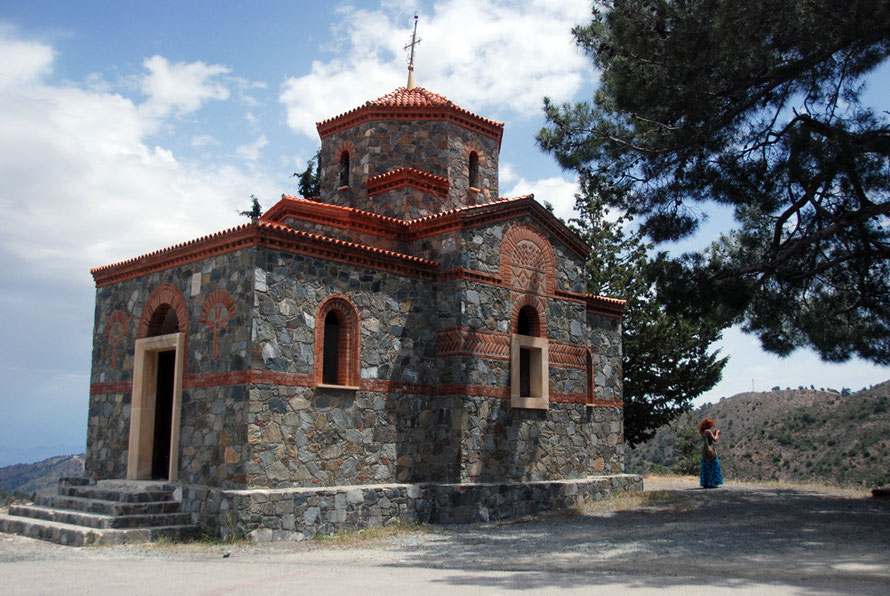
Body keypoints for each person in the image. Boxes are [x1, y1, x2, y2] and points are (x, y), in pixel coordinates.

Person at [699, 418, 724, 489]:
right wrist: (717, 433)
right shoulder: (708, 431)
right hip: (710, 451)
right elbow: (715, 439)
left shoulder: (703, 432)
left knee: (706, 467)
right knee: (713, 465)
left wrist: (713, 434)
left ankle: (706, 482)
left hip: (705, 451)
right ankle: (712, 482)